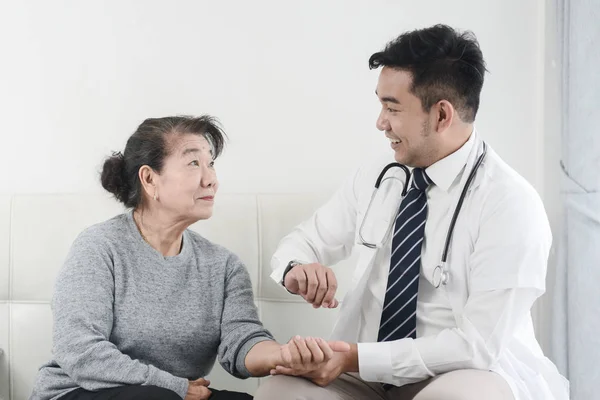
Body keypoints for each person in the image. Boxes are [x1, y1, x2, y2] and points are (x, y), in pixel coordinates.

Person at [255, 25, 569, 400]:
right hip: (362, 371)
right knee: (281, 391)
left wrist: (357, 357)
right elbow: (305, 241)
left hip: (460, 373)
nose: (380, 122)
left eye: (392, 108)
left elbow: (477, 346)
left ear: (440, 115)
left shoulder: (510, 204)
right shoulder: (377, 176)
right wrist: (297, 268)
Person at [30, 115, 349, 400]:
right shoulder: (99, 247)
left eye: (211, 164)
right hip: (81, 392)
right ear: (150, 179)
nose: (211, 179)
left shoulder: (222, 266)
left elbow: (242, 341)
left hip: (175, 393)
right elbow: (80, 352)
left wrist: (284, 355)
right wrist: (173, 386)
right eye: (194, 163)